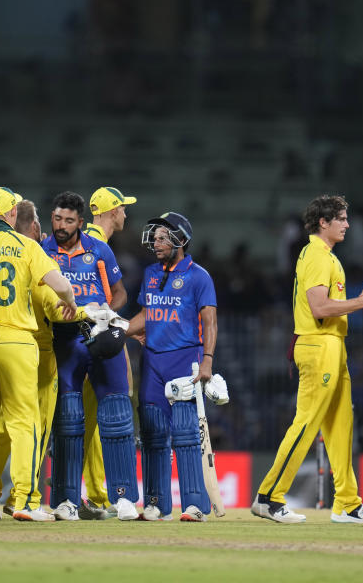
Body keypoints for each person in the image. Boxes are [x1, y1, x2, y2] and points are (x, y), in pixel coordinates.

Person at [252, 195, 363, 524]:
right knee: (307, 422)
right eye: (341, 218)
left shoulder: (326, 256)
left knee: (341, 427)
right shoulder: (315, 255)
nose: (347, 224)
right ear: (323, 222)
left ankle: (347, 503)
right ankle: (269, 497)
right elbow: (320, 308)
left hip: (333, 346)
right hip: (318, 345)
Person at [0, 187, 77, 521]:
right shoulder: (27, 246)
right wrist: (70, 304)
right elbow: (61, 286)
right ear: (13, 214)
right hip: (15, 339)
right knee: (23, 422)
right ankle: (25, 501)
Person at [42, 191, 139, 521]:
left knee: (117, 415)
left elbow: (122, 291)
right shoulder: (43, 251)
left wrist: (106, 314)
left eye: (69, 220)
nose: (62, 226)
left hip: (99, 336)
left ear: (80, 223)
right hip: (66, 340)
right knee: (68, 421)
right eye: (57, 219)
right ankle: (66, 500)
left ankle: (124, 497)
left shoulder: (99, 248)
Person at [0, 200, 91, 518]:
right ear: (33, 227)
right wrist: (93, 312)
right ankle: (25, 499)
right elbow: (56, 310)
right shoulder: (35, 256)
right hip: (35, 352)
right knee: (33, 428)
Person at [124, 212, 218, 521]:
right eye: (155, 236)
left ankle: (194, 505)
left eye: (163, 236)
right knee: (152, 433)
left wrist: (207, 360)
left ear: (181, 239)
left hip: (184, 360)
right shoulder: (151, 272)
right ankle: (156, 504)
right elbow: (146, 315)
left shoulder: (199, 276)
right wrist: (116, 330)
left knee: (185, 433)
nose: (156, 241)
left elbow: (209, 321)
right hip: (152, 361)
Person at [78, 185, 137, 518]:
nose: (126, 213)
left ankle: (77, 493)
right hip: (95, 342)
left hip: (78, 339)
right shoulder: (98, 247)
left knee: (83, 421)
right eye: (123, 208)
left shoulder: (83, 243)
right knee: (101, 420)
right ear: (112, 211)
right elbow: (105, 302)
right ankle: (99, 495)